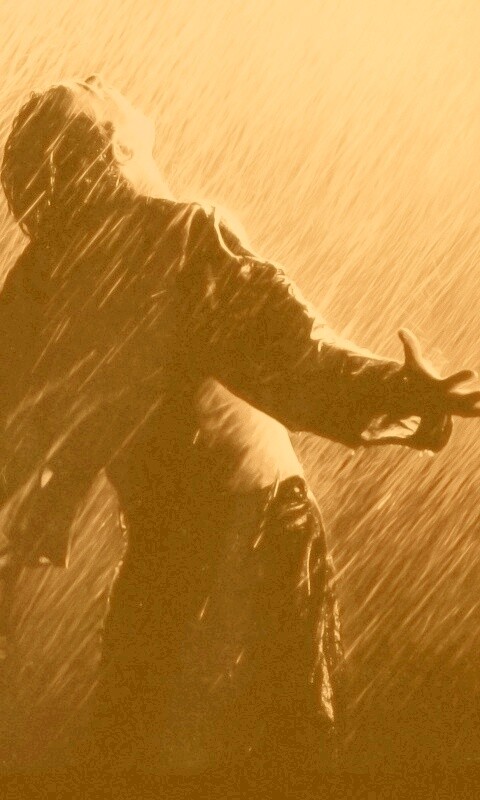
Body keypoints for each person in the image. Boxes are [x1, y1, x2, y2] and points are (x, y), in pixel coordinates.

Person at [0, 75, 479, 782]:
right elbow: (295, 359)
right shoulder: (180, 235)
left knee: (143, 754)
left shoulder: (38, 285)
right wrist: (405, 392)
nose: (100, 81)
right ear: (114, 145)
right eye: (87, 91)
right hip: (253, 535)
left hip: (162, 555)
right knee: (269, 757)